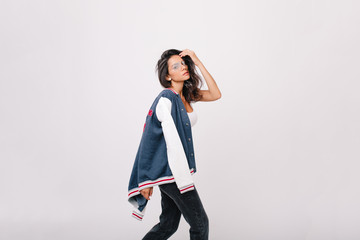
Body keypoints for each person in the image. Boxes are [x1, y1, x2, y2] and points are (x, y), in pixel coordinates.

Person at [127, 49, 221, 240]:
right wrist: (146, 178)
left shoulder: (186, 95)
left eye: (184, 63)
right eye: (176, 66)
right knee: (200, 223)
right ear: (168, 76)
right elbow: (149, 137)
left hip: (172, 171)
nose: (183, 67)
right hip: (174, 173)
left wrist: (197, 60)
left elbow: (215, 94)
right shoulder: (166, 99)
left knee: (168, 224)